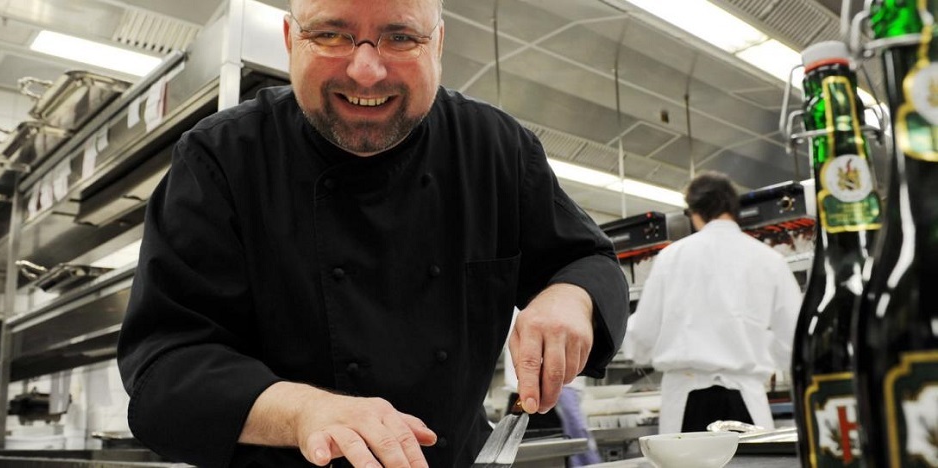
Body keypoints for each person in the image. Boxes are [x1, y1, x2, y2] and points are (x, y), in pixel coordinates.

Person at [116, 0, 630, 466]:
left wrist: (570, 298)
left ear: (440, 44)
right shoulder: (221, 160)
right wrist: (303, 412)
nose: (365, 70)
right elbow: (164, 371)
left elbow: (589, 260)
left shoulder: (494, 148)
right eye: (331, 36)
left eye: (401, 38)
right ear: (291, 39)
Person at [621, 171, 801, 434]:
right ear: (733, 208)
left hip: (686, 400)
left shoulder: (671, 258)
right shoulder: (769, 260)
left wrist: (639, 351)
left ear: (694, 213)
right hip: (747, 399)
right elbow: (794, 340)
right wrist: (763, 349)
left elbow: (644, 333)